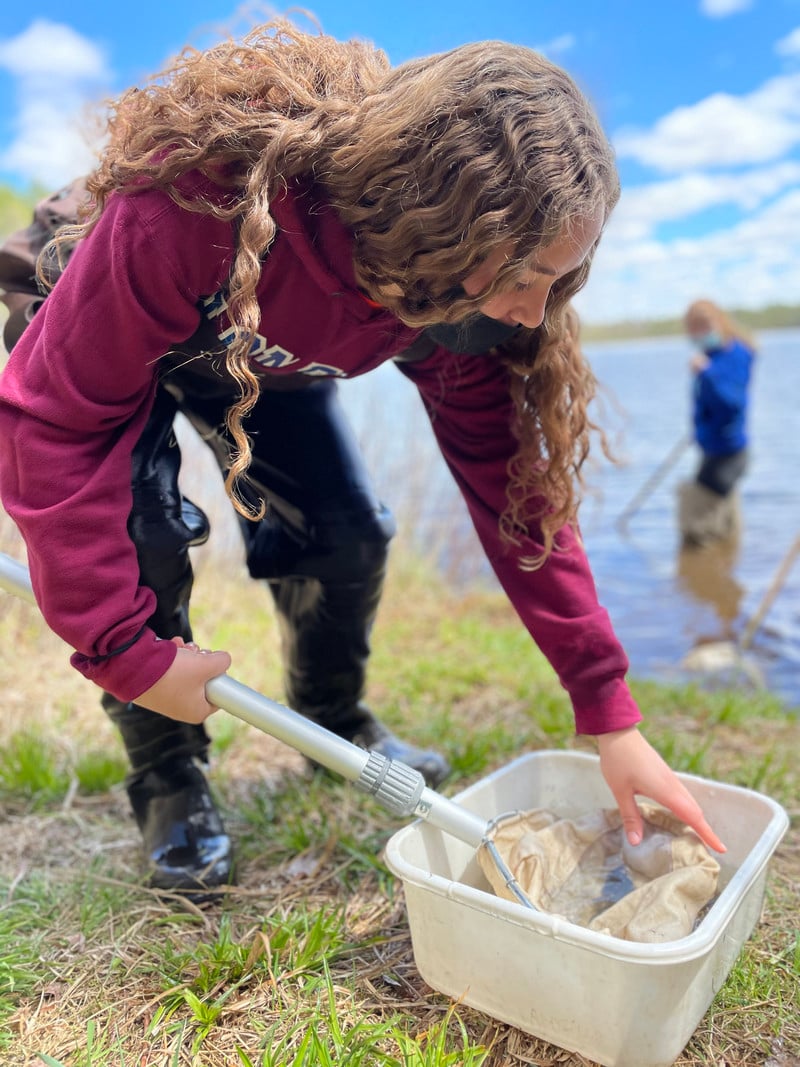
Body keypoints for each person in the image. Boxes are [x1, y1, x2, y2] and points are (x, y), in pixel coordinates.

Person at [0, 18, 725, 897]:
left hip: (255, 345)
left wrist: (609, 711)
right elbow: (57, 419)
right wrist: (122, 648)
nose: (536, 315)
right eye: (528, 276)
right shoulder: (200, 204)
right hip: (100, 297)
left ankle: (333, 721)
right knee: (144, 536)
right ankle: (171, 780)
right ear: (444, 224)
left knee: (347, 535)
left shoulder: (464, 311)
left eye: (558, 284)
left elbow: (515, 501)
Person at [679, 299, 756, 548]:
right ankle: (722, 572)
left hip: (729, 451)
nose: (699, 333)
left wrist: (707, 373)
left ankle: (704, 580)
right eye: (693, 328)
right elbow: (709, 405)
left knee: (697, 531)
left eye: (703, 325)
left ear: (719, 321)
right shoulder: (711, 354)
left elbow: (732, 404)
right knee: (723, 521)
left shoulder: (735, 355)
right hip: (713, 447)